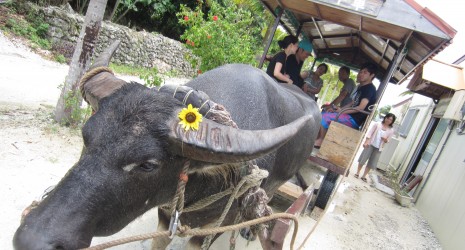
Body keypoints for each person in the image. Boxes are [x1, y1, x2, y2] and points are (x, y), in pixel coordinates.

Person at [314, 62, 378, 148]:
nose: (361, 74)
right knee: (324, 113)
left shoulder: (369, 89)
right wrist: (338, 109)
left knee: (324, 117)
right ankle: (319, 138)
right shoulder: (361, 87)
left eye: (365, 72)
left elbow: (361, 107)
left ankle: (321, 140)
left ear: (372, 75)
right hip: (348, 116)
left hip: (354, 119)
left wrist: (341, 111)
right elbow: (352, 103)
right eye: (361, 72)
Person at [355, 113, 397, 182]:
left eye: (390, 120)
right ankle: (357, 172)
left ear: (392, 121)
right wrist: (366, 142)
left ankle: (364, 176)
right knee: (363, 159)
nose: (388, 120)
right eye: (388, 118)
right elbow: (370, 133)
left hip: (379, 148)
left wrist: (385, 139)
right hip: (370, 144)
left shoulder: (391, 130)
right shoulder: (377, 124)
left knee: (371, 163)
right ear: (385, 118)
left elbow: (388, 140)